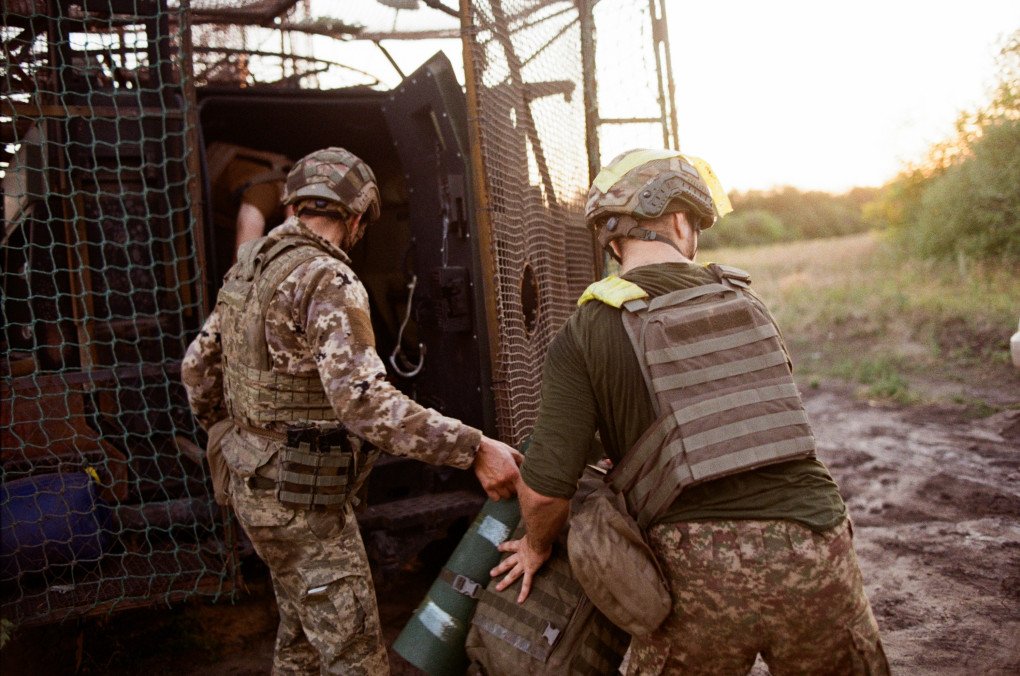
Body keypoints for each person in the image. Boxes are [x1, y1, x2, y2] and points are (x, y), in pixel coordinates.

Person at [490, 149, 888, 674]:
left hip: (696, 568)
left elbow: (544, 492)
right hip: (815, 542)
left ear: (612, 238)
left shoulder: (587, 328)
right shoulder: (747, 302)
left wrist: (535, 546)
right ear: (680, 221)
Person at [182, 146, 523, 675]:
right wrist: (473, 447)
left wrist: (242, 439)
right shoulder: (326, 278)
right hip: (302, 501)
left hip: (253, 488)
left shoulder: (248, 267)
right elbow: (365, 404)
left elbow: (196, 369)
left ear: (295, 204)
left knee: (301, 637)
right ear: (357, 218)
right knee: (355, 657)